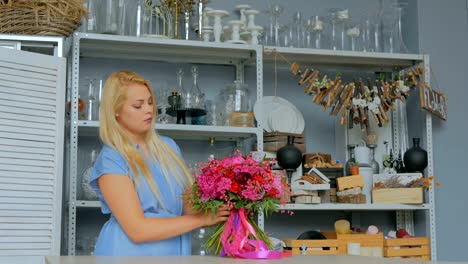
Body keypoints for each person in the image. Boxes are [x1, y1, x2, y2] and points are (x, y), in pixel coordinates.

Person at [89, 70, 230, 256]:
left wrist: (228, 202)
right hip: (126, 255)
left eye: (150, 102)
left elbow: (189, 208)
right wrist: (203, 219)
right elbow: (137, 230)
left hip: (174, 252)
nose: (149, 110)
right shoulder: (112, 158)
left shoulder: (168, 147)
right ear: (116, 111)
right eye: (138, 106)